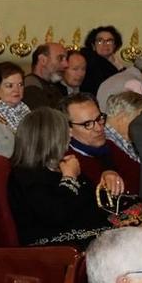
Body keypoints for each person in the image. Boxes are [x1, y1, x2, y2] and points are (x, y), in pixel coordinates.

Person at [8, 106, 116, 247]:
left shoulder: (58, 165)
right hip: (53, 247)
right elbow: (56, 215)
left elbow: (90, 201)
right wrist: (70, 177)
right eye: (65, 132)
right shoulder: (25, 175)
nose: (70, 135)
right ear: (51, 139)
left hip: (85, 234)